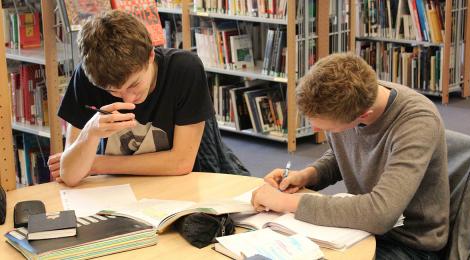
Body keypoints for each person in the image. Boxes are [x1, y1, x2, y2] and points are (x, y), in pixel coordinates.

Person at [251, 53, 449, 259]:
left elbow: (381, 213)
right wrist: (308, 175)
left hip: (407, 241)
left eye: (326, 126)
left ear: (363, 115)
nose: (314, 128)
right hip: (361, 229)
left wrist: (286, 202)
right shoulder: (350, 98)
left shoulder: (417, 122)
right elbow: (344, 154)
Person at [48, 10, 248, 187]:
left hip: (181, 188)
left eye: (134, 84)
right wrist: (90, 133)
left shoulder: (184, 69)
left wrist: (95, 163)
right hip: (116, 193)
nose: (128, 99)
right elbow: (71, 175)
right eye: (114, 92)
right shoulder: (87, 77)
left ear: (150, 55)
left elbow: (181, 162)